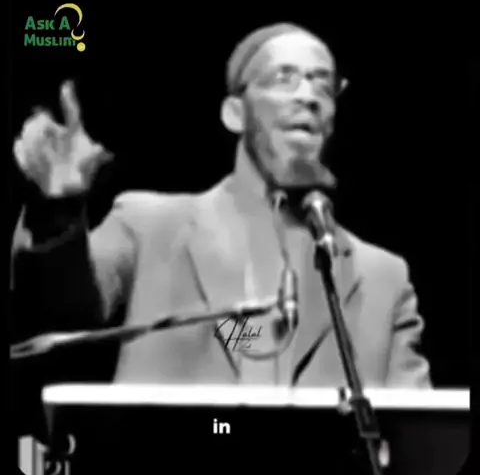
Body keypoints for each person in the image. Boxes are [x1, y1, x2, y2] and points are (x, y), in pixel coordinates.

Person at [11, 22, 431, 388]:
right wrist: (59, 211)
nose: (309, 96)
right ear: (234, 113)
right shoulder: (150, 227)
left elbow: (419, 433)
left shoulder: (382, 280)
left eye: (323, 84)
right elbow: (58, 313)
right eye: (284, 78)